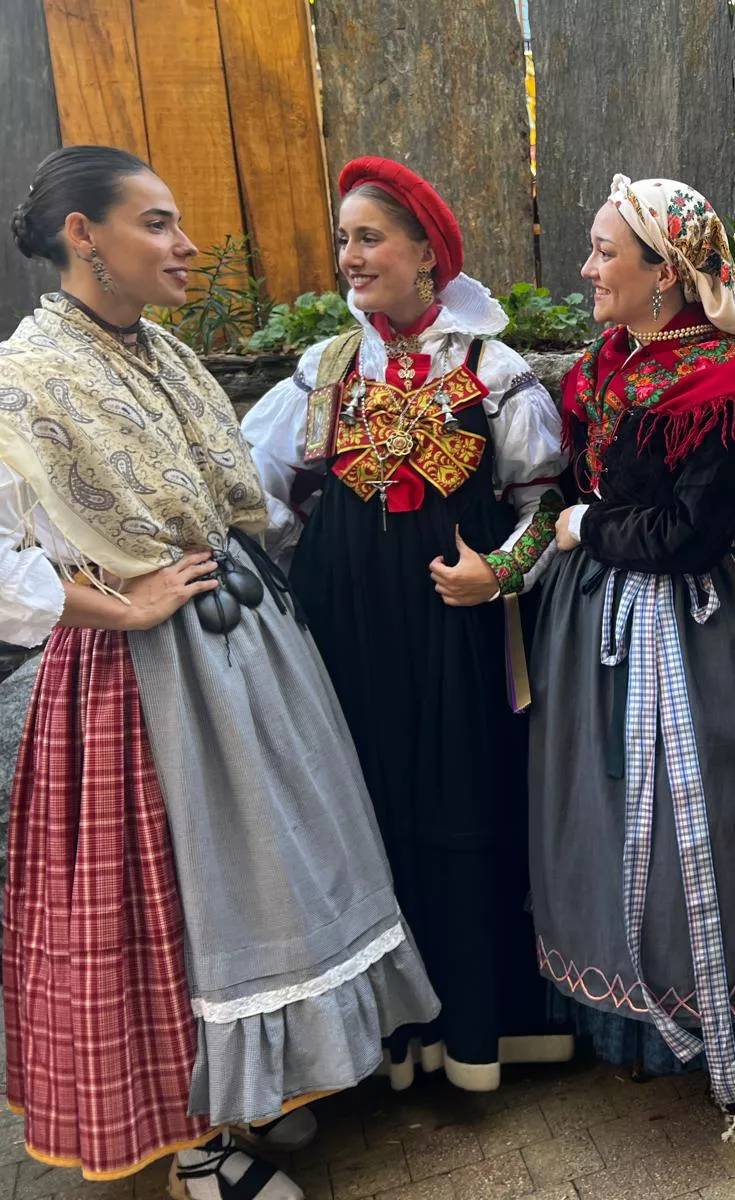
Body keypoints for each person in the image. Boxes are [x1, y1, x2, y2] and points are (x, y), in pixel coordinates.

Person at [0, 146, 438, 1199]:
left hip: (246, 652)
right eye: (155, 223)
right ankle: (193, 1144)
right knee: (179, 903)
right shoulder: (29, 375)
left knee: (272, 880)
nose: (184, 244)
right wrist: (118, 603)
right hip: (141, 682)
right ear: (83, 237)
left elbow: (244, 496)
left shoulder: (162, 353)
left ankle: (251, 1094)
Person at [242, 157, 572, 1093]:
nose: (350, 256)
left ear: (427, 252)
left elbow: (546, 506)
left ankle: (477, 1030)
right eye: (344, 238)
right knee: (364, 815)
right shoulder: (326, 369)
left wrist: (495, 575)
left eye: (370, 237)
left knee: (459, 815)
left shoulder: (492, 372)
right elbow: (250, 488)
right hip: (347, 637)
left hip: (453, 634)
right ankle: (388, 1044)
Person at [524, 175, 735, 1165]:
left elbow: (688, 535)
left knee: (705, 827)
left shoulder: (726, 388)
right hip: (588, 619)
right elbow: (568, 485)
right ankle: (636, 1020)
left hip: (684, 634)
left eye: (605, 251)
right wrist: (522, 559)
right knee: (597, 818)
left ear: (666, 272)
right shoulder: (606, 362)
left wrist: (581, 527)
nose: (588, 268)